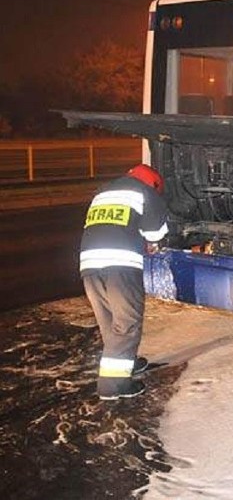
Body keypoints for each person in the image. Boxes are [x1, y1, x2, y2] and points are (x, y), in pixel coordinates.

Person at [80, 163, 168, 400]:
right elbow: (156, 233)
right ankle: (114, 386)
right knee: (127, 322)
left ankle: (126, 363)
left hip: (89, 264)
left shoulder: (103, 192)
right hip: (120, 264)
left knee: (109, 320)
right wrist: (153, 242)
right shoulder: (145, 192)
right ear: (154, 184)